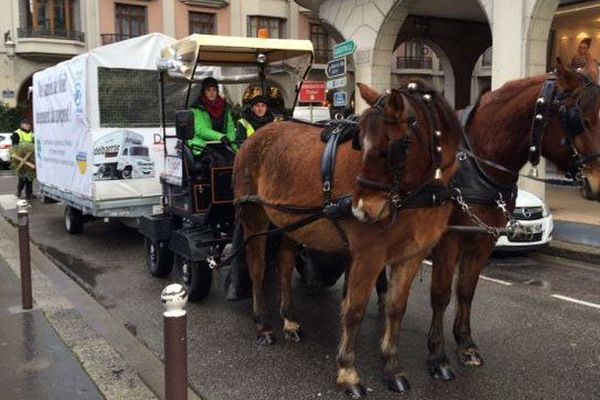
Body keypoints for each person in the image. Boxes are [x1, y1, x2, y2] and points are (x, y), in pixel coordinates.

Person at [188, 77, 236, 157]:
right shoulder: (197, 107)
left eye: (214, 90)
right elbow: (201, 130)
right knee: (217, 160)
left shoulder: (225, 106)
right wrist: (221, 137)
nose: (211, 93)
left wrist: (230, 142)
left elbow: (230, 128)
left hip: (223, 143)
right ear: (203, 92)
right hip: (203, 144)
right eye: (208, 90)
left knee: (234, 158)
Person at [11, 118, 35, 199]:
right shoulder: (17, 133)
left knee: (30, 177)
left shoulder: (32, 134)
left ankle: (29, 194)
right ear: (22, 125)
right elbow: (14, 147)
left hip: (30, 158)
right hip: (20, 158)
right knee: (22, 177)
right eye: (26, 124)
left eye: (29, 124)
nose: (28, 126)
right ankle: (19, 191)